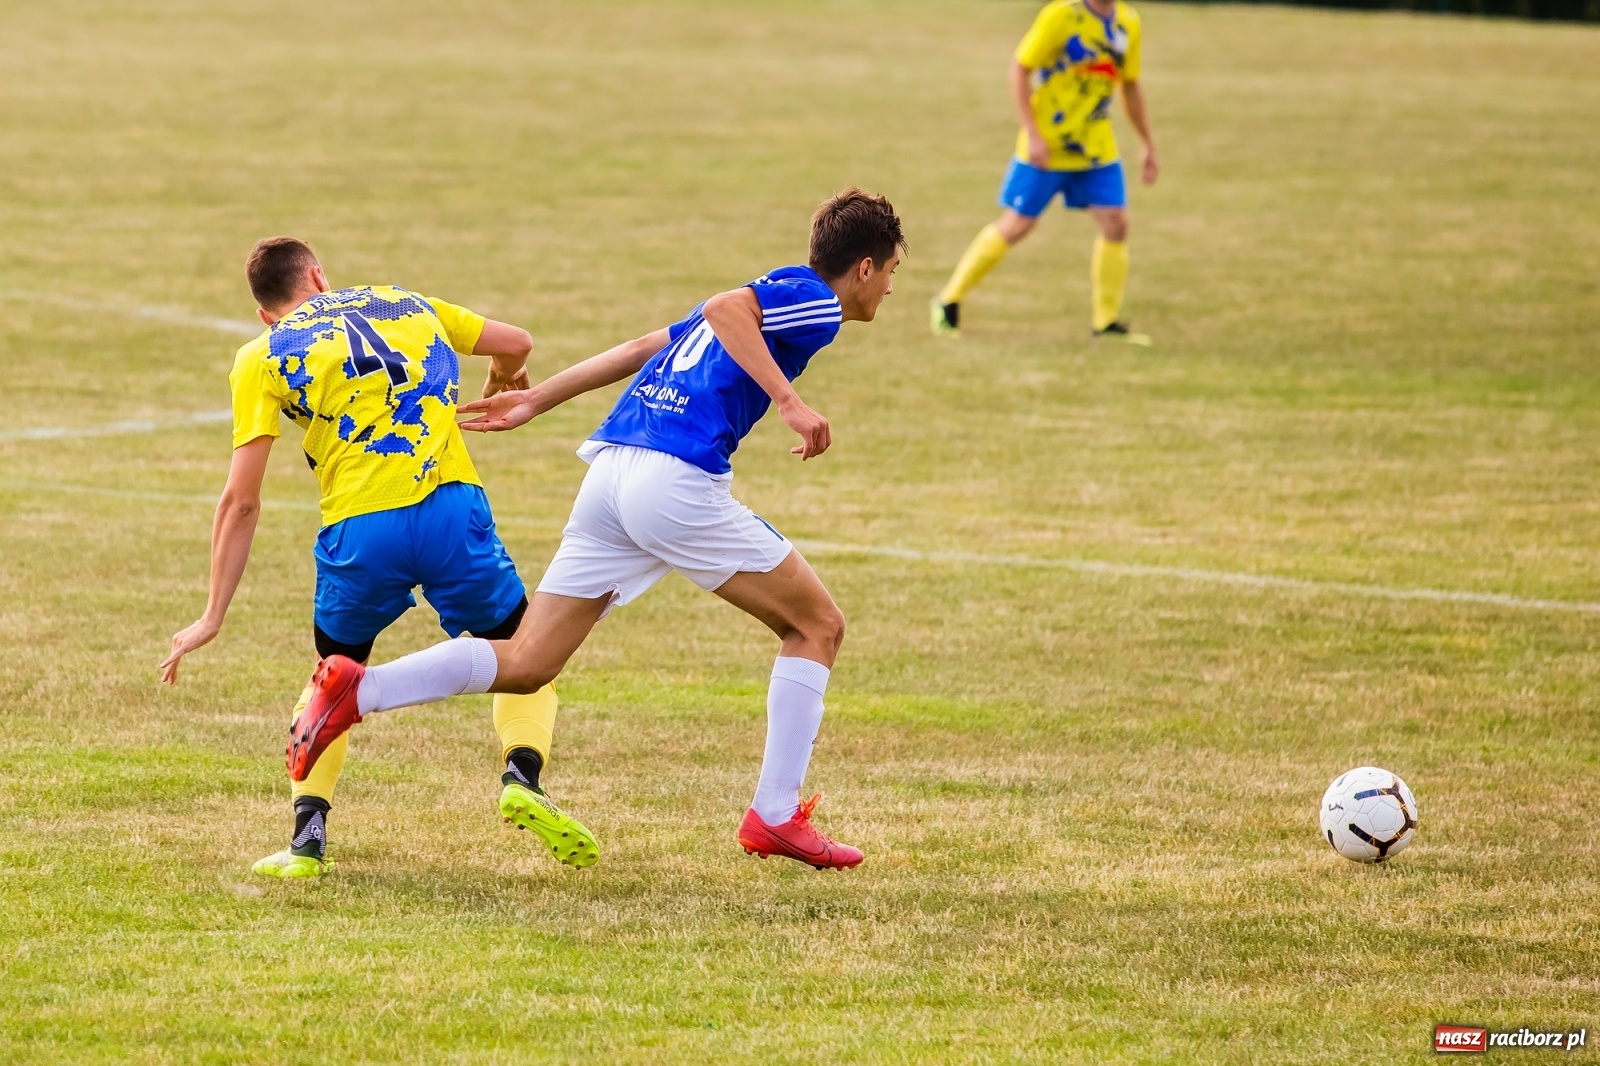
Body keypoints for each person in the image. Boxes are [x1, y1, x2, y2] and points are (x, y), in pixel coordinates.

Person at [286, 188, 906, 871]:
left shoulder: (778, 293)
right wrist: (788, 400)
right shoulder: (814, 299)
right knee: (818, 626)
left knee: (528, 662)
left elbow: (644, 346)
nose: (888, 288)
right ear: (865, 267)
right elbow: (724, 309)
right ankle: (776, 814)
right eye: (892, 272)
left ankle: (356, 689)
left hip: (612, 473)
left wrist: (538, 398)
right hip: (671, 480)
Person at [159, 237, 597, 878]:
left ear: (265, 313)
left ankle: (307, 839)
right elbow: (518, 341)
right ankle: (522, 776)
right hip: (451, 510)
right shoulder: (404, 302)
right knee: (526, 654)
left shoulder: (263, 354)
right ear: (319, 276)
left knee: (332, 678)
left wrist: (211, 615)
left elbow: (240, 502)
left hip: (361, 529)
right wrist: (503, 378)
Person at [931, 0, 1158, 343]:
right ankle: (948, 300)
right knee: (1017, 225)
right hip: (1047, 147)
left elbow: (1130, 84)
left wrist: (1148, 143)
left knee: (1117, 223)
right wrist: (1033, 135)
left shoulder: (1128, 21)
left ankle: (1106, 322)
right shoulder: (1061, 16)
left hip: (1096, 148)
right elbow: (1019, 69)